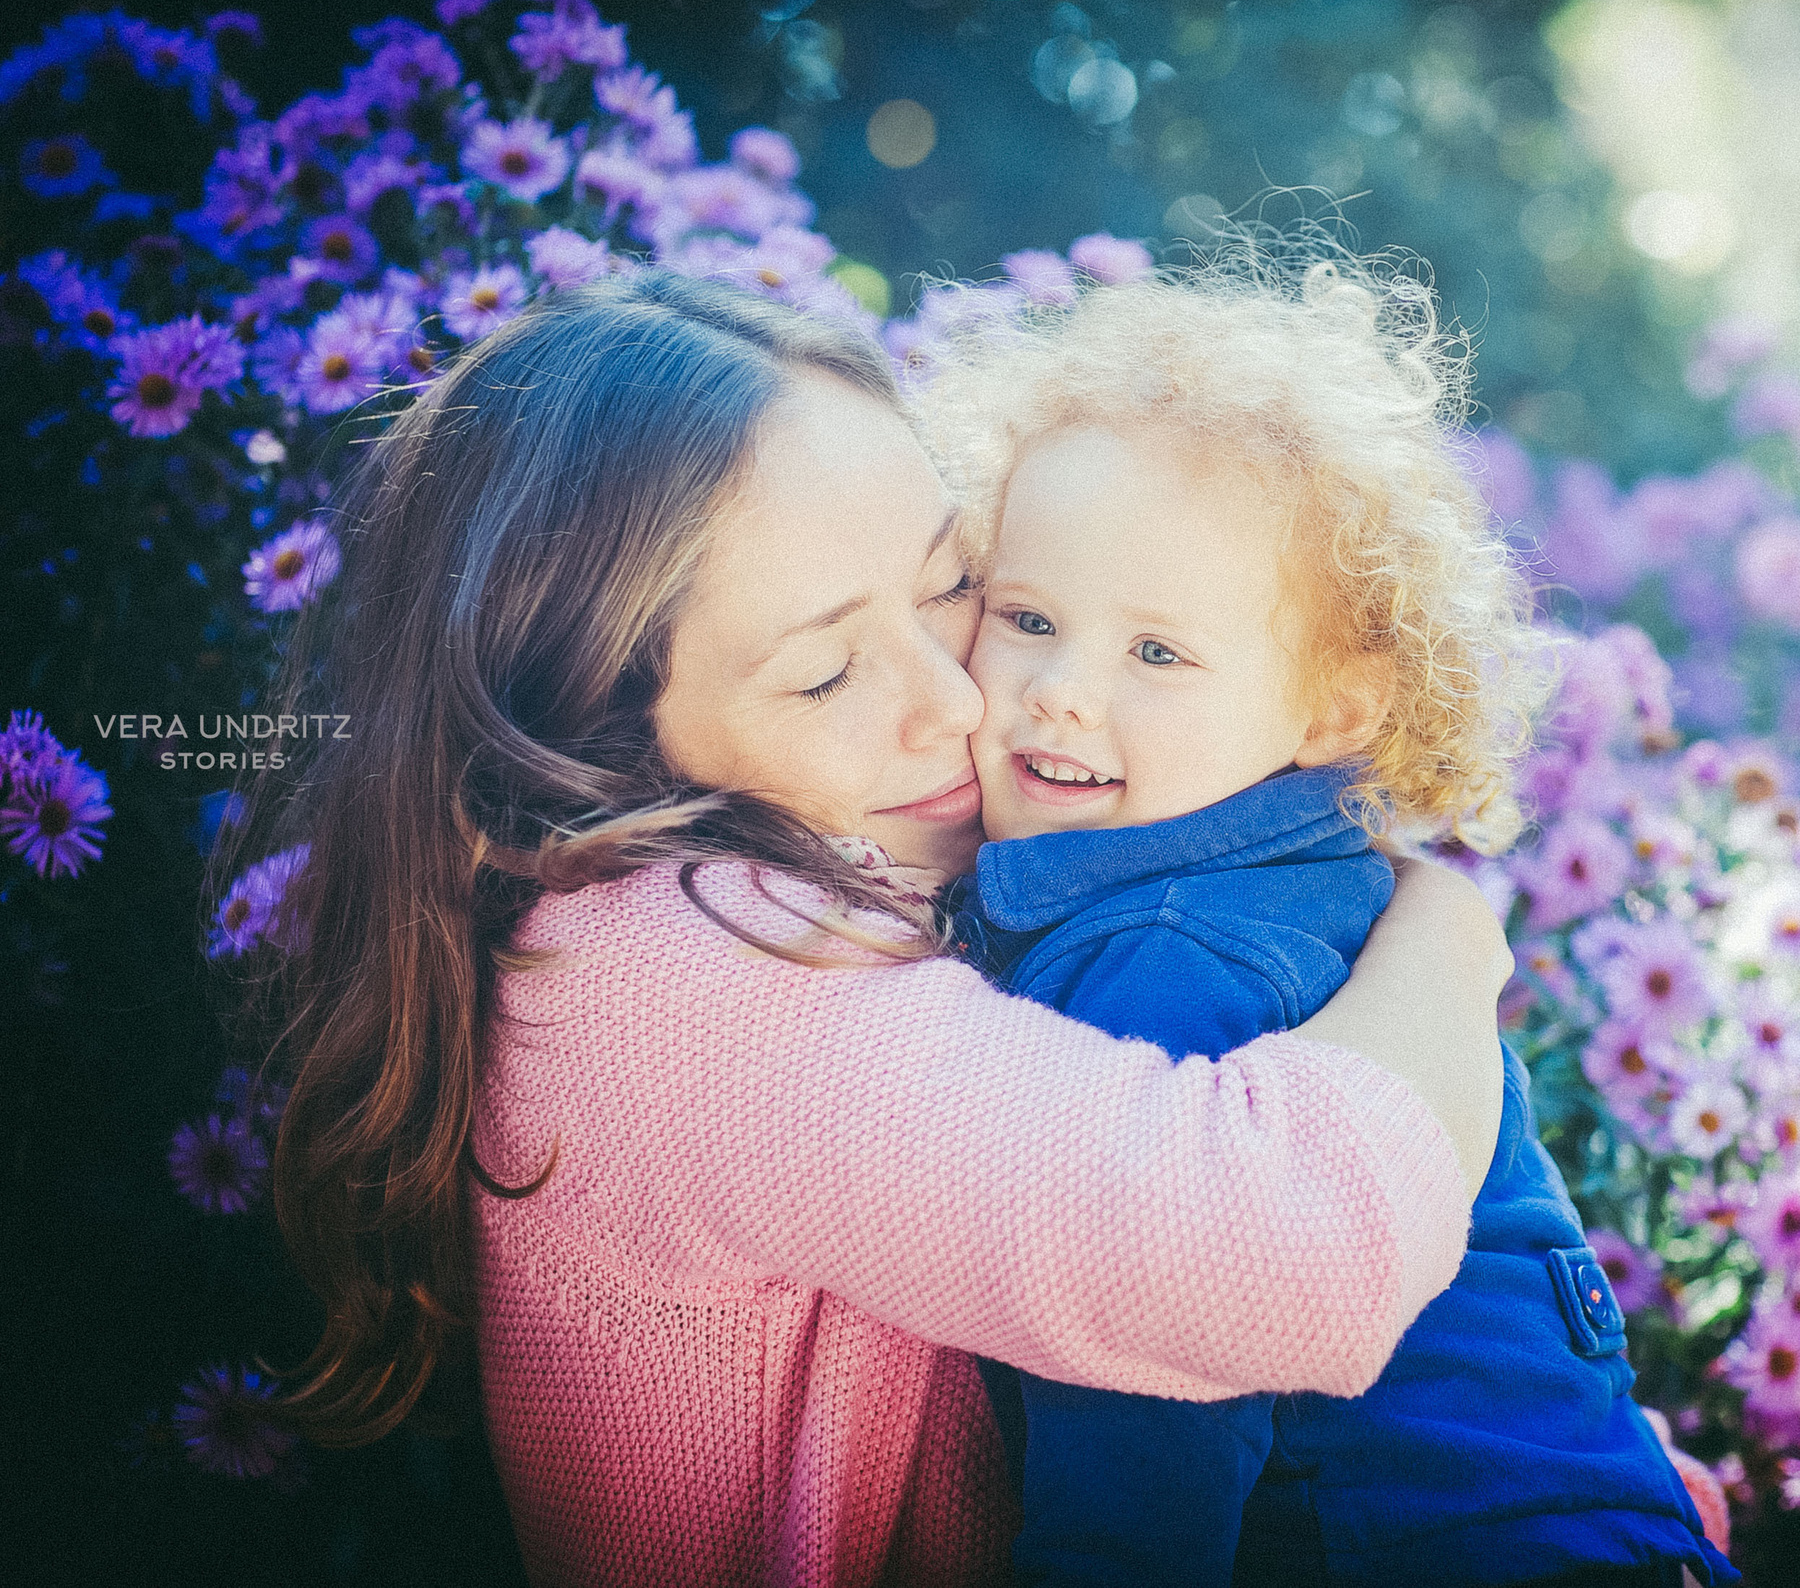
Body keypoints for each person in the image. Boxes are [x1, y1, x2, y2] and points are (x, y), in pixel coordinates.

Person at [233, 269, 1510, 1587]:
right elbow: (1288, 1259)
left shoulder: (830, 872)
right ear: (596, 737)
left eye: (954, 583)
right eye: (828, 668)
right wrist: (1450, 935)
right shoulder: (688, 974)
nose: (957, 700)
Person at [926, 250, 1738, 1587]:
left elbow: (1155, 1395)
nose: (1062, 690)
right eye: (1027, 617)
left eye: (1156, 652)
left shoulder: (1167, 960)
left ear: (1335, 712)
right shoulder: (1304, 887)